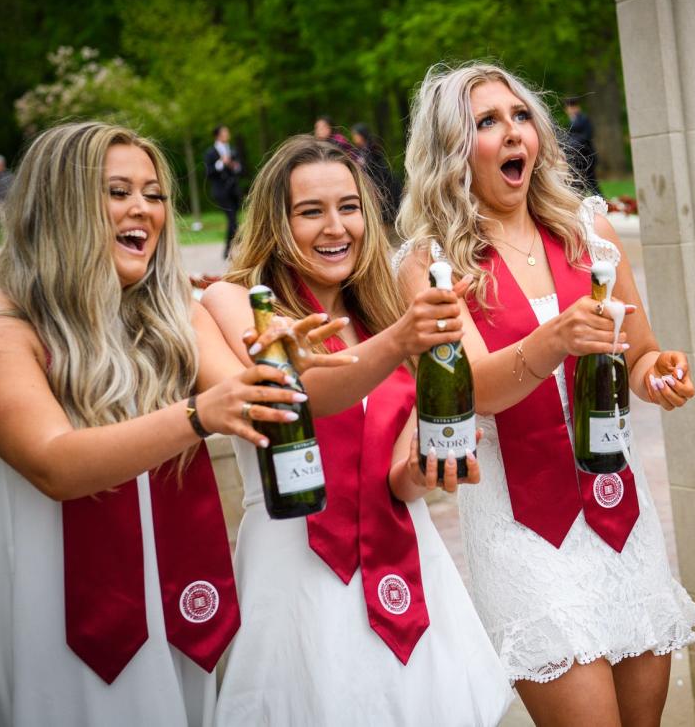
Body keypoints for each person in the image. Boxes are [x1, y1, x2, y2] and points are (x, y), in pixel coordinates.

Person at [0, 121, 346, 726]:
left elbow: (245, 396)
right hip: (50, 616)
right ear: (61, 202)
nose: (143, 208)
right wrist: (199, 414)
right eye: (118, 191)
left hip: (165, 608)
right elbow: (56, 463)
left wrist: (282, 364)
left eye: (154, 194)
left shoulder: (170, 315)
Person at [395, 62, 695, 726]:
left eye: (521, 116)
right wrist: (553, 340)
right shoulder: (433, 261)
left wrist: (659, 373)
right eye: (487, 122)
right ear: (452, 149)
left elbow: (639, 353)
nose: (513, 133)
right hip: (521, 521)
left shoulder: (589, 232)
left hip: (618, 509)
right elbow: (472, 388)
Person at [200, 135, 512, 725]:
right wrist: (400, 342)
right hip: (293, 568)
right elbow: (293, 398)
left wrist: (427, 467)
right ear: (276, 222)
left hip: (402, 558)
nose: (334, 227)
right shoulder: (234, 304)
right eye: (310, 211)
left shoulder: (387, 315)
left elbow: (401, 477)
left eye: (348, 207)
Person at [203, 124, 244, 258]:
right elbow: (208, 173)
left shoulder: (232, 150)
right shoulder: (210, 153)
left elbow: (239, 169)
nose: (227, 134)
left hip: (233, 190)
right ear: (218, 135)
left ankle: (228, 251)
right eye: (225, 132)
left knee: (233, 220)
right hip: (220, 191)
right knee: (233, 220)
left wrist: (234, 165)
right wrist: (221, 163)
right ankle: (237, 248)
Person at [351, 122, 402, 226]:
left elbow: (377, 167)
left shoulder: (373, 148)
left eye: (355, 135)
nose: (354, 138)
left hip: (381, 182)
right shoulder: (359, 150)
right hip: (369, 182)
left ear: (361, 135)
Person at [564, 97, 600, 196]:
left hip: (587, 156)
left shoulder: (584, 119)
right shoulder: (571, 121)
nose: (571, 110)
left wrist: (572, 142)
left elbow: (588, 135)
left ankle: (602, 202)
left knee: (592, 182)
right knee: (578, 184)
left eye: (573, 107)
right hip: (577, 158)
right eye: (569, 107)